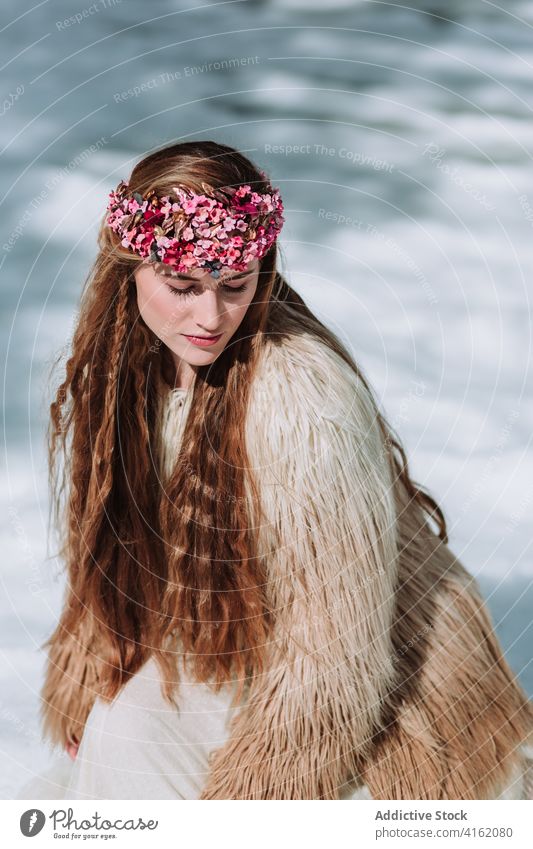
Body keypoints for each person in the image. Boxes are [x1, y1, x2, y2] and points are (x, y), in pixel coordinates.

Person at [16, 140, 533, 800]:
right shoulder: (123, 366)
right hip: (227, 647)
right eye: (182, 287)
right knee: (110, 742)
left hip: (372, 707)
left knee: (130, 746)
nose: (209, 317)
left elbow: (334, 659)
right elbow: (121, 556)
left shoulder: (298, 398)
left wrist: (255, 800)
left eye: (235, 286)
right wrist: (95, 673)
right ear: (129, 270)